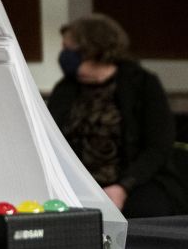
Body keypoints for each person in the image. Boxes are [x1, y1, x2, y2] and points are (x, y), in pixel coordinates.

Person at [47, 13, 186, 218]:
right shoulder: (65, 89)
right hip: (80, 183)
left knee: (143, 211)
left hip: (137, 181)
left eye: (69, 49)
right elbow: (50, 140)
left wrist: (123, 186)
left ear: (92, 48)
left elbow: (158, 146)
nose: (64, 55)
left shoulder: (142, 84)